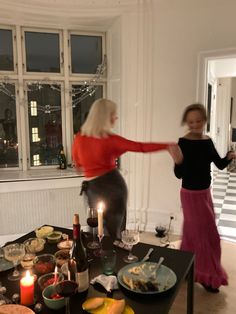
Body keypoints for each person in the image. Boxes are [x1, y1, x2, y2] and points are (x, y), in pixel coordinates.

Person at [72, 98, 182, 240]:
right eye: (113, 114)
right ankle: (114, 257)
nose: (116, 117)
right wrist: (167, 146)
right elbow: (140, 147)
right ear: (105, 117)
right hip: (112, 187)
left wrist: (93, 162)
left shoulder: (79, 138)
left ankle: (100, 257)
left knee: (96, 229)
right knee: (113, 230)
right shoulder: (110, 140)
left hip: (92, 188)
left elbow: (79, 168)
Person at [174, 103, 236, 293]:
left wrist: (229, 156)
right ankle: (207, 276)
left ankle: (188, 269)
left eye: (198, 121)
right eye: (191, 121)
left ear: (204, 121)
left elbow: (219, 164)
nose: (195, 124)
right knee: (207, 235)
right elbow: (179, 174)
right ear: (187, 122)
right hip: (190, 195)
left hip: (205, 193)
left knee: (194, 233)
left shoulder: (207, 141)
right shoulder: (183, 142)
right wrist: (177, 161)